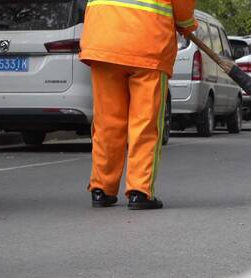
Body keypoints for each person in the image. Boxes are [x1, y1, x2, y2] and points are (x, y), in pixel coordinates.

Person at [79, 0, 198, 210]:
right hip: (147, 44)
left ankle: (102, 188)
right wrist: (186, 24)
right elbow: (183, 8)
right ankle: (139, 191)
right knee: (145, 123)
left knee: (107, 123)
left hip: (103, 40)